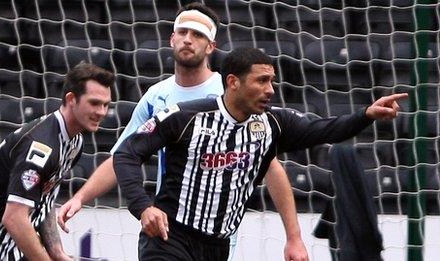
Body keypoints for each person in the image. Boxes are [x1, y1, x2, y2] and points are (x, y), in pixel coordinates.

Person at [57, 3, 308, 261]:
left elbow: (269, 166)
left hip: (215, 235)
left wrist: (294, 237)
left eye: (198, 35)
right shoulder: (157, 97)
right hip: (169, 228)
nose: (188, 40)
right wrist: (80, 198)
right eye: (183, 32)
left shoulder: (232, 95)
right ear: (172, 38)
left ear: (211, 46)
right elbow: (122, 156)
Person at [112, 47, 408, 261]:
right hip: (169, 239)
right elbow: (126, 154)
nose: (270, 89)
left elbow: (324, 129)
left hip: (217, 246)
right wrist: (144, 207)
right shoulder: (184, 116)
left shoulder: (273, 123)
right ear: (233, 82)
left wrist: (365, 115)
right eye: (262, 80)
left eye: (272, 81)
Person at [0, 62, 114, 260]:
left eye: (106, 105)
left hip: (11, 248)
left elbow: (44, 199)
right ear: (71, 99)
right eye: (94, 103)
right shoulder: (41, 147)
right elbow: (14, 218)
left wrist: (57, 252)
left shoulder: (74, 142)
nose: (102, 112)